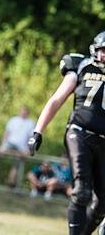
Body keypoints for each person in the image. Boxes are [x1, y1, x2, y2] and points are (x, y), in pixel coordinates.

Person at [27, 33, 105, 235]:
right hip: (79, 133)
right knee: (81, 192)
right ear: (95, 50)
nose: (104, 56)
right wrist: (38, 131)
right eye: (102, 51)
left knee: (103, 201)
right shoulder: (81, 67)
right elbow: (56, 100)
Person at [0, 106, 34, 188]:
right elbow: (6, 133)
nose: (23, 113)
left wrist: (27, 149)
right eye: (22, 111)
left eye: (25, 112)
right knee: (0, 153)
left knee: (16, 164)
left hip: (20, 147)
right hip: (10, 143)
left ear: (28, 113)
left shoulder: (30, 123)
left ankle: (11, 182)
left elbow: (30, 137)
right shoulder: (13, 120)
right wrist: (2, 144)